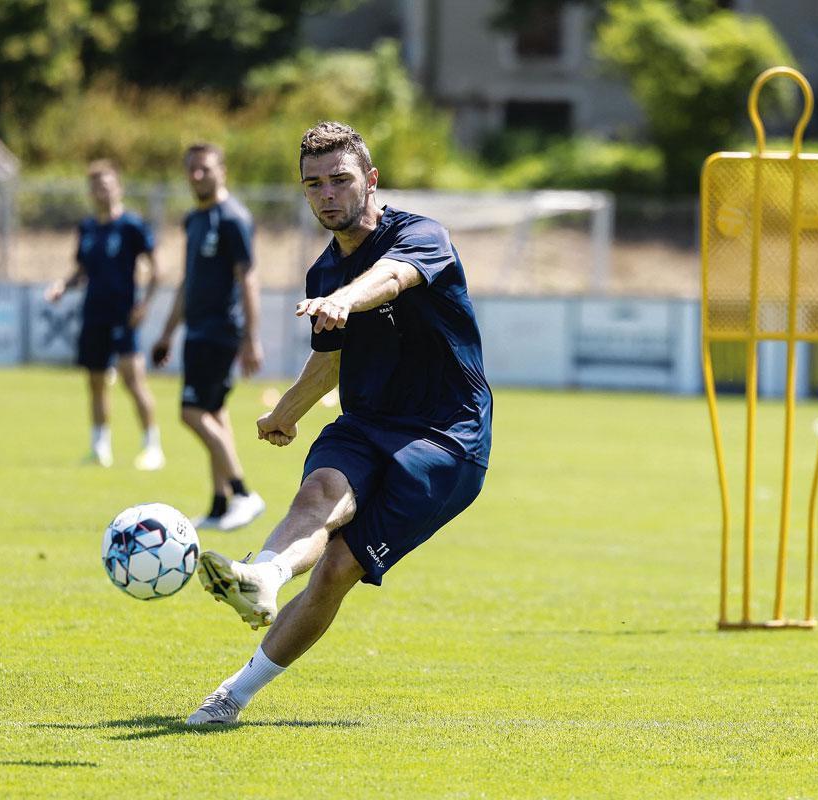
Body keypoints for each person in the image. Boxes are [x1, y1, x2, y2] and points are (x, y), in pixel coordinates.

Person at [185, 121, 493, 726]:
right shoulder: (322, 275)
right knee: (320, 490)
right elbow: (329, 365)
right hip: (367, 420)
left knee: (337, 568)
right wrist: (285, 414)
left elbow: (395, 277)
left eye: (341, 180)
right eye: (314, 184)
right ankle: (263, 577)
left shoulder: (421, 236)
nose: (328, 194)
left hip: (445, 436)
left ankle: (237, 688)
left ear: (370, 180)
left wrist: (349, 299)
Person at [152, 143, 265, 531]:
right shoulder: (194, 220)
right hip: (197, 332)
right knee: (215, 413)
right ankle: (219, 505)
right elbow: (188, 281)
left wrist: (252, 337)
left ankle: (244, 493)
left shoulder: (233, 218)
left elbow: (248, 277)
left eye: (205, 169)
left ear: (223, 171)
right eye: (191, 170)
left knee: (192, 413)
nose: (197, 176)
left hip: (220, 331)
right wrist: (168, 332)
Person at [45, 159, 165, 470]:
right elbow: (82, 270)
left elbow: (157, 271)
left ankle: (152, 446)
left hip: (123, 315)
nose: (103, 192)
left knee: (133, 380)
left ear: (119, 188)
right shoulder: (87, 228)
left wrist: (145, 305)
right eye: (97, 187)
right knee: (95, 382)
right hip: (93, 315)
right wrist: (63, 285)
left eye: (108, 186)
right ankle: (100, 448)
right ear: (91, 192)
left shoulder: (132, 226)